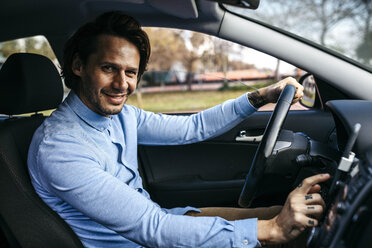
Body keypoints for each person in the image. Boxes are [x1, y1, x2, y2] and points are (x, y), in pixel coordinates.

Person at [27, 11, 329, 248]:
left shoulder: (121, 117)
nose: (122, 84)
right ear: (78, 66)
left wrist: (260, 96)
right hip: (147, 240)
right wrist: (273, 229)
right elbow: (151, 227)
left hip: (165, 224)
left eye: (130, 72)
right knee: (283, 228)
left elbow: (192, 127)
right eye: (109, 68)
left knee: (304, 222)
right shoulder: (59, 148)